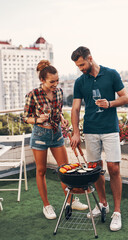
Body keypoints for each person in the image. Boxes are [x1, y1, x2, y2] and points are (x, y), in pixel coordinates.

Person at [70, 47, 128, 231]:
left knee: (113, 168)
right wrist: (76, 132)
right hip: (90, 130)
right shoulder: (80, 82)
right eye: (77, 66)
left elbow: (126, 97)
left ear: (90, 58)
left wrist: (110, 103)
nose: (80, 68)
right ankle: (103, 203)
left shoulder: (111, 74)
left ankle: (117, 212)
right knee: (95, 170)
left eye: (82, 64)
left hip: (110, 129)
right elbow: (75, 109)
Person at [23, 60, 88, 220]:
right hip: (40, 135)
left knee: (65, 169)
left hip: (57, 133)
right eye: (52, 81)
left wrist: (62, 119)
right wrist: (38, 119)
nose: (56, 84)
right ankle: (47, 205)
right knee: (41, 171)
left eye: (57, 80)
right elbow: (25, 117)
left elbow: (57, 111)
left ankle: (71, 200)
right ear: (42, 80)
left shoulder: (59, 92)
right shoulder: (33, 95)